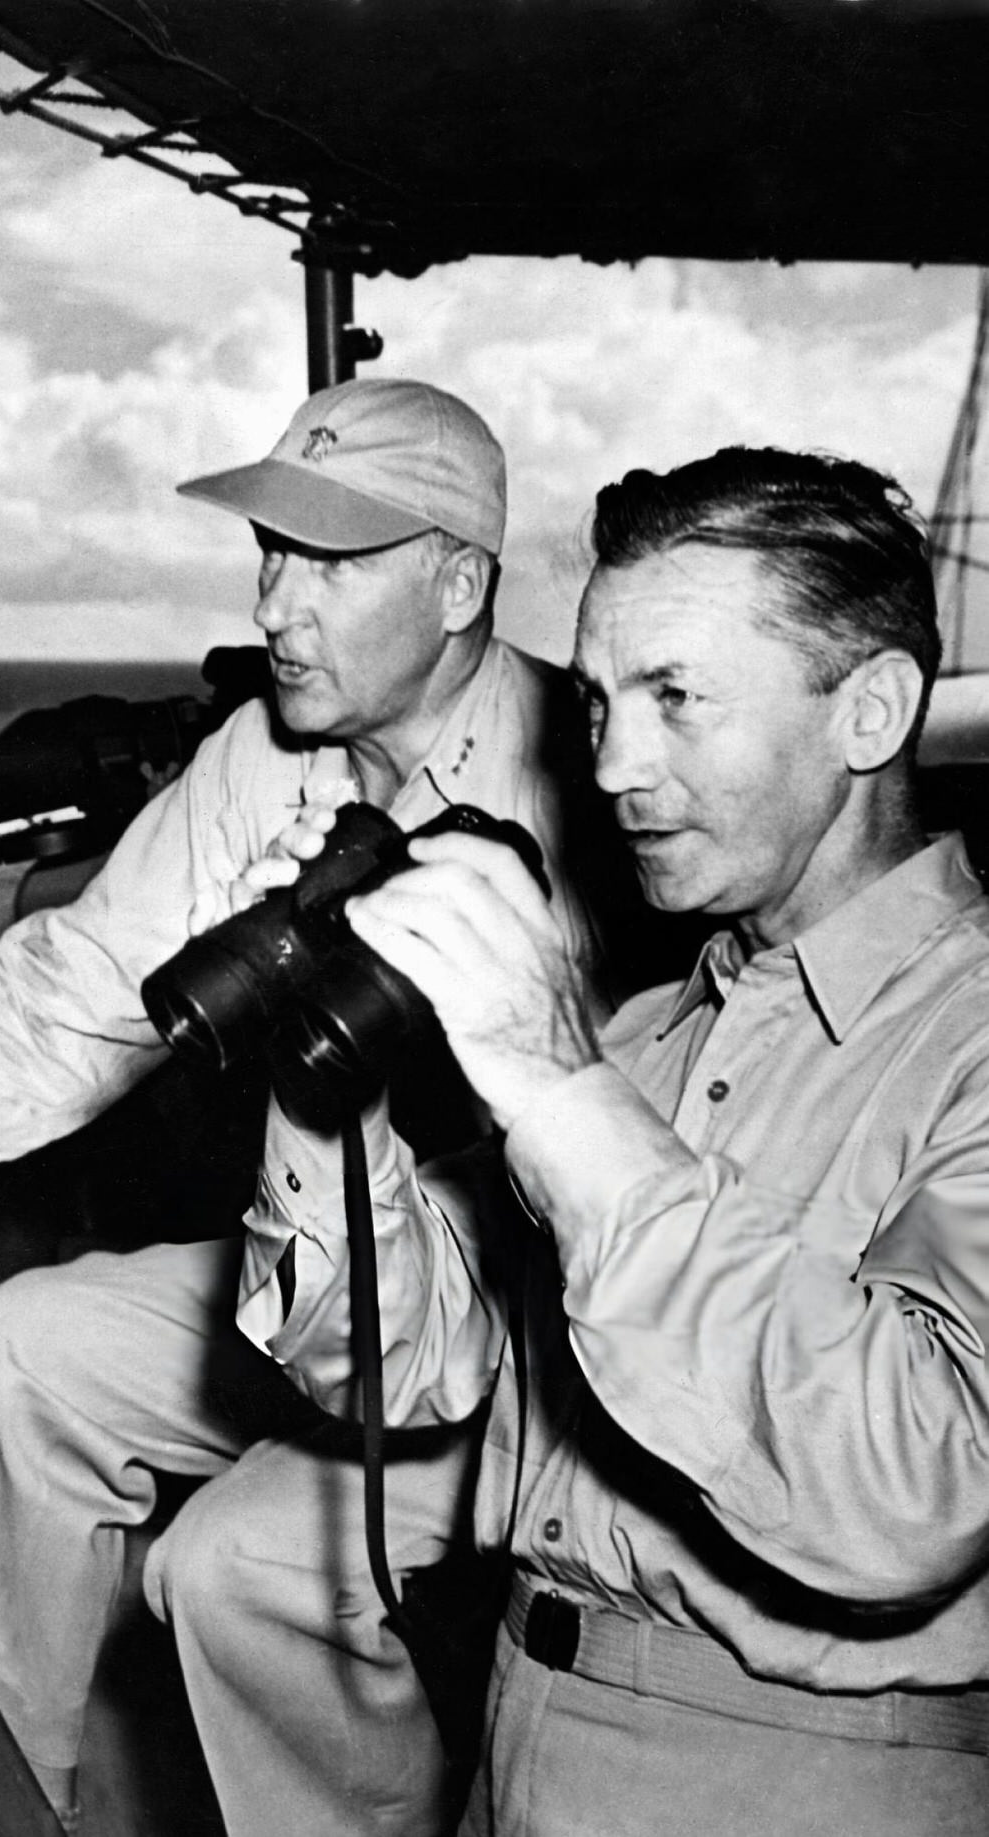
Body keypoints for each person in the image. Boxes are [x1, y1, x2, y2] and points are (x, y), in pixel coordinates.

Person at [0, 377, 601, 1835]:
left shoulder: (588, 776)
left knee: (235, 1560)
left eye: (329, 563)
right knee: (26, 1351)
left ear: (460, 582)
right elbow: (68, 1001)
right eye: (271, 550)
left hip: (545, 1322)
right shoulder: (267, 755)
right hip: (328, 1244)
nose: (276, 602)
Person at [201, 447, 989, 1835]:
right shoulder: (651, 1035)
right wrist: (323, 1081)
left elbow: (919, 1479)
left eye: (677, 698)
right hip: (526, 1736)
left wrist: (560, 1087)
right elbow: (415, 1374)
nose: (616, 763)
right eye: (597, 703)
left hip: (801, 1777)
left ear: (870, 710)